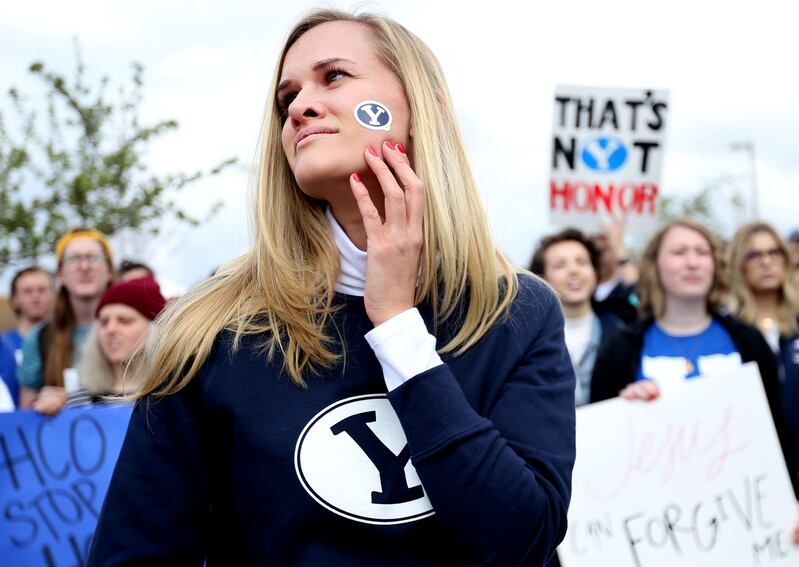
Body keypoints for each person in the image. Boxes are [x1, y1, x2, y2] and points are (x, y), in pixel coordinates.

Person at [88, 9, 576, 566]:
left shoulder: (518, 313)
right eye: (286, 98)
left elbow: (521, 543)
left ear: (423, 106)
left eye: (334, 76)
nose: (299, 106)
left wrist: (396, 326)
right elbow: (136, 554)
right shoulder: (209, 327)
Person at [589, 219, 799, 541]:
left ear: (715, 264)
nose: (692, 261)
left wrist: (792, 501)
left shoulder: (748, 340)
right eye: (679, 252)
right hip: (658, 528)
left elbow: (776, 434)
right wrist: (625, 408)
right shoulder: (620, 348)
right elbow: (601, 450)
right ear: (655, 264)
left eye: (702, 252)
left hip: (747, 520)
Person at [32, 276, 167, 416]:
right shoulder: (80, 401)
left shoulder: (173, 398)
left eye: (124, 320)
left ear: (154, 329)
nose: (111, 329)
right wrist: (54, 413)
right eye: (103, 322)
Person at [727, 222, 799, 476]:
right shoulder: (726, 332)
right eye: (754, 255)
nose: (766, 262)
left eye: (774, 253)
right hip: (752, 473)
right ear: (738, 265)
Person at [16, 229, 114, 408]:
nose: (84, 267)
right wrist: (39, 406)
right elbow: (25, 417)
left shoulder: (135, 332)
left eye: (93, 257)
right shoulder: (40, 338)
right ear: (60, 274)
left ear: (109, 270)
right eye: (74, 259)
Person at [530, 228, 623, 406]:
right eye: (560, 265)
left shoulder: (621, 333)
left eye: (581, 262)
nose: (573, 271)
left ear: (595, 272)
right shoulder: (528, 339)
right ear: (542, 278)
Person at [590, 219, 638, 324]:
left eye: (603, 250)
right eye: (593, 250)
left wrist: (618, 244)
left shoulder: (623, 290)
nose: (598, 256)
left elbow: (638, 297)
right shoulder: (585, 291)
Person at [3, 266, 55, 359]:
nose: (36, 296)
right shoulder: (3, 346)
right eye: (27, 291)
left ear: (53, 296)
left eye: (42, 290)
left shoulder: (65, 341)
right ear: (14, 299)